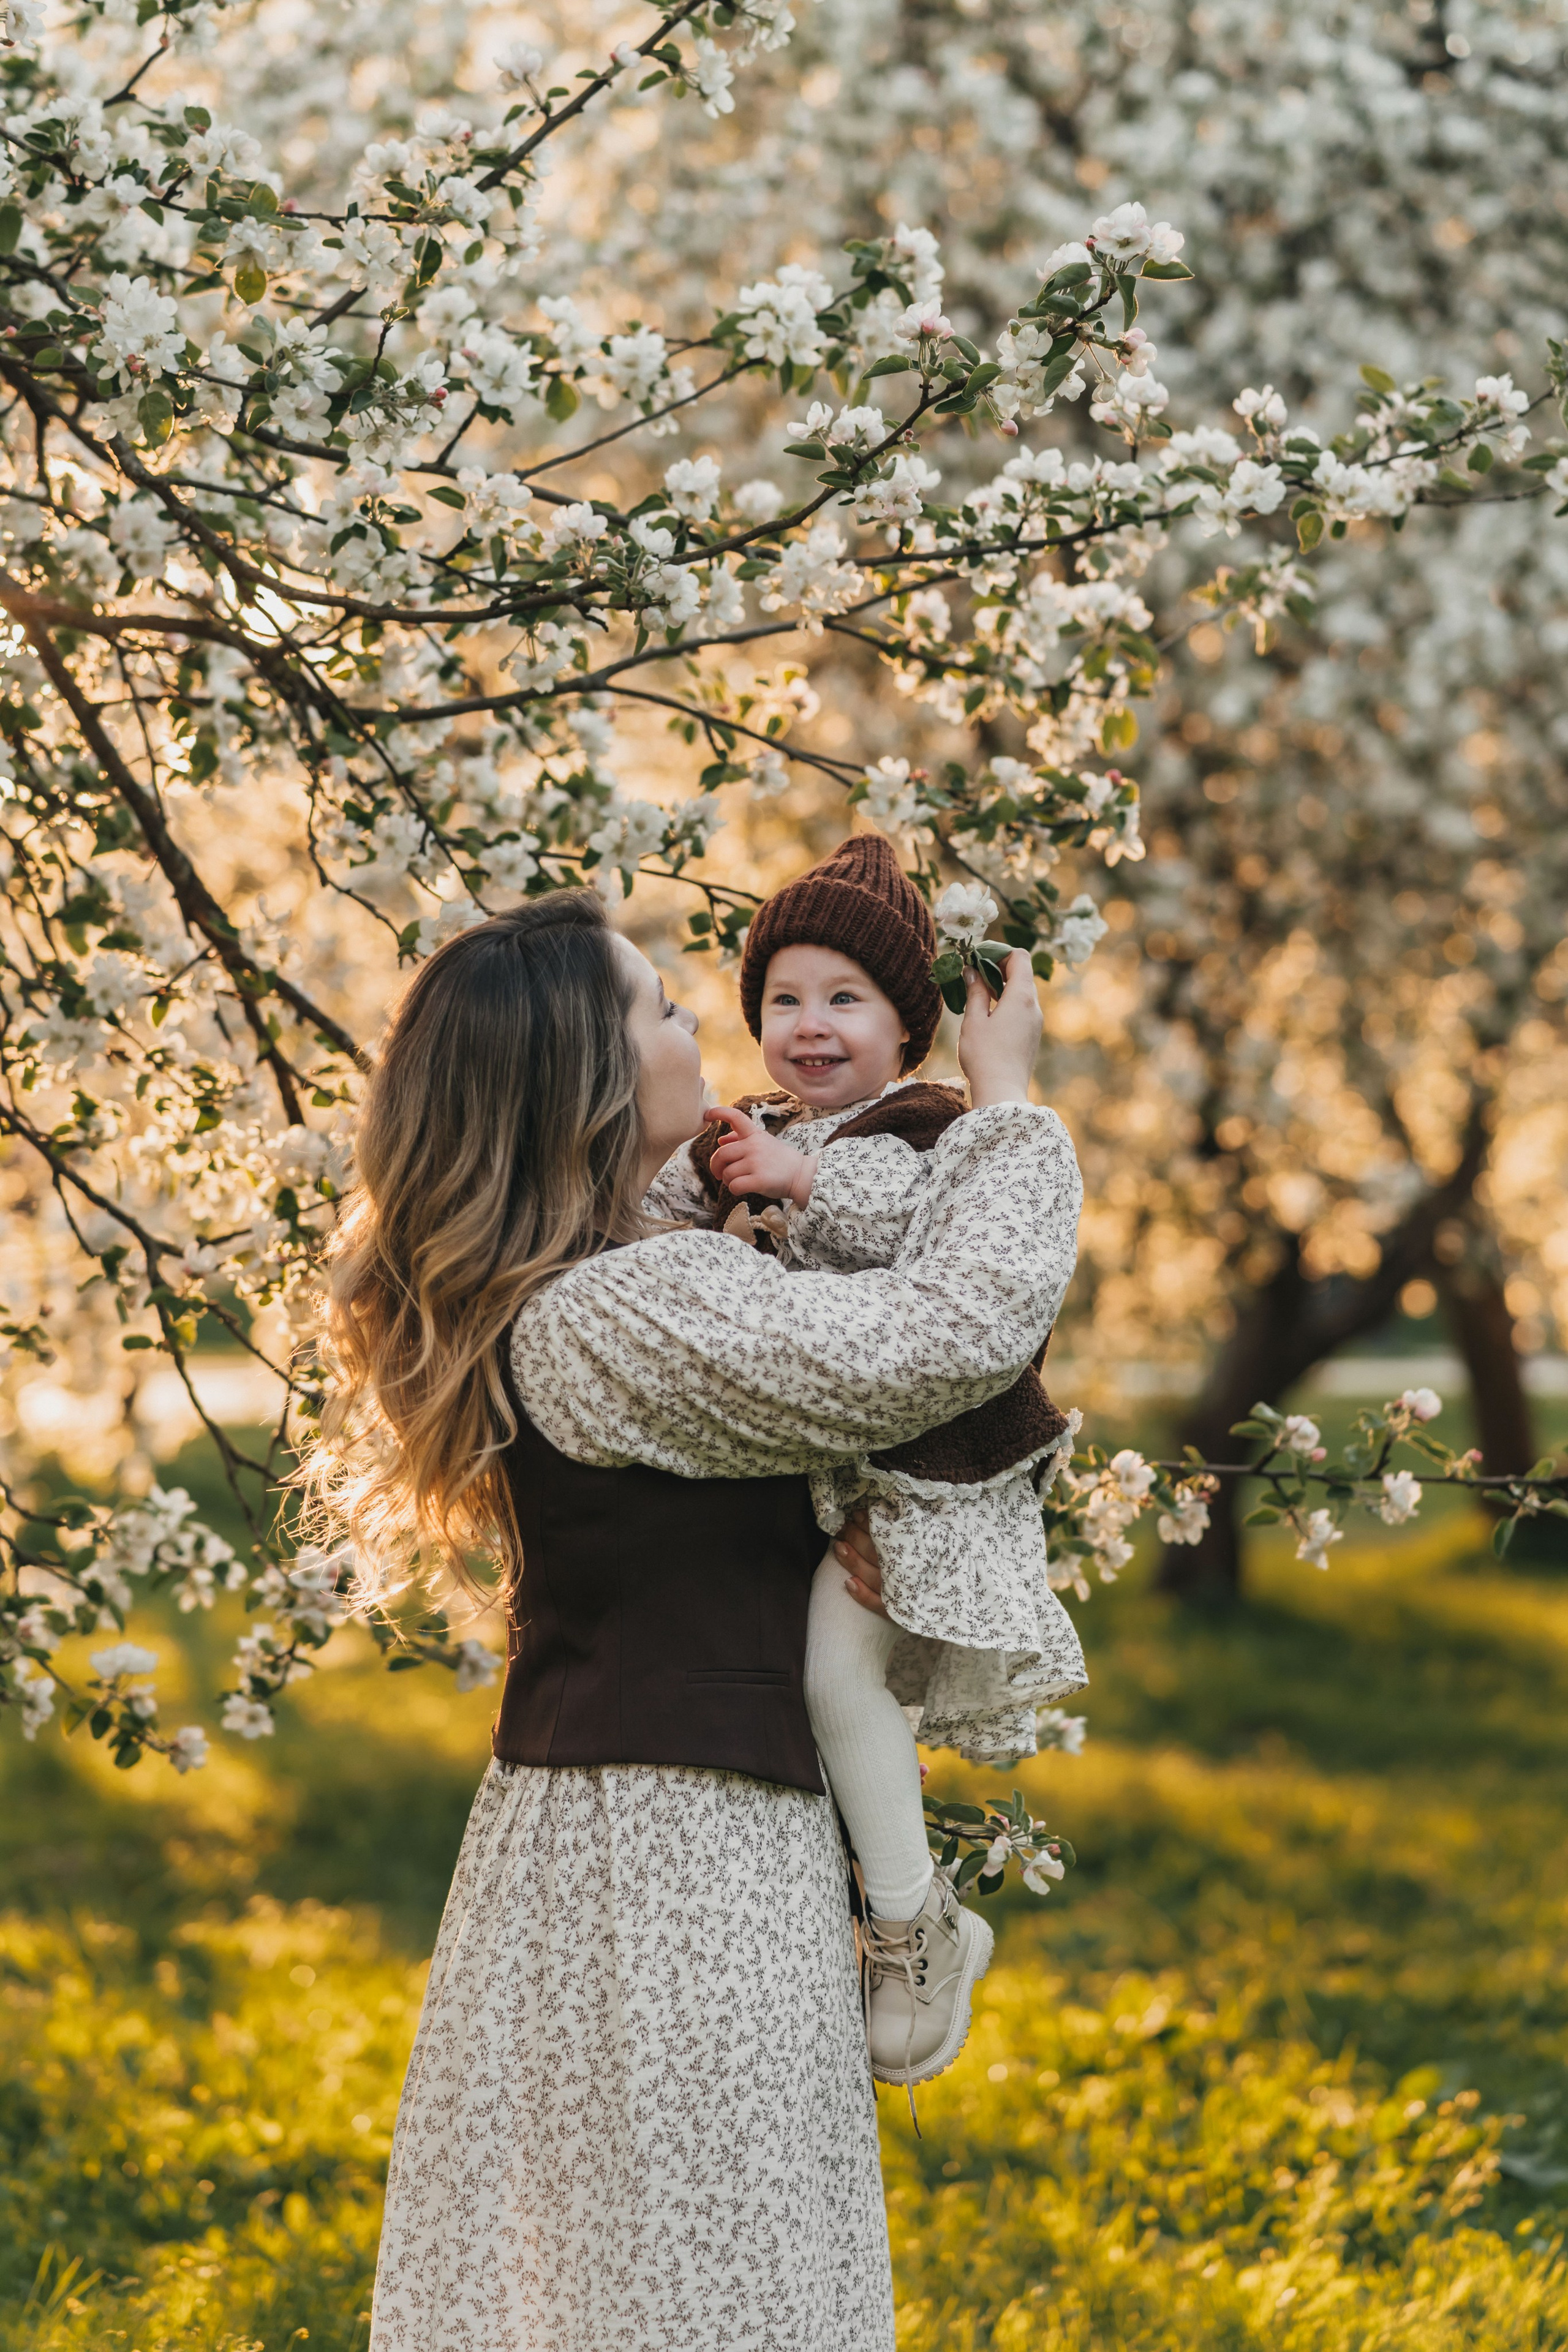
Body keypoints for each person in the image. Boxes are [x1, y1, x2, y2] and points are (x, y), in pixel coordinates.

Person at [315, 887, 1080, 2352]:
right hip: (676, 1856)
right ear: (593, 1078)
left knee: (644, 2272)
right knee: (715, 2279)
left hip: (637, 1834)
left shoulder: (623, 1271)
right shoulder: (623, 1308)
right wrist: (1007, 1108)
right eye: (658, 1008)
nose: (699, 1027)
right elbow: (941, 1340)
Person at [644, 834, 1086, 2088]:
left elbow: (927, 1240)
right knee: (819, 1699)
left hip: (919, 1488)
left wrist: (801, 1182)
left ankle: (912, 1923)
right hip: (826, 1478)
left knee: (839, 1681)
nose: (808, 1025)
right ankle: (875, 1897)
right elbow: (669, 1223)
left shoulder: (924, 1129)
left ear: (909, 1030)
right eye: (783, 999)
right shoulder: (758, 1126)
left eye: (845, 999)